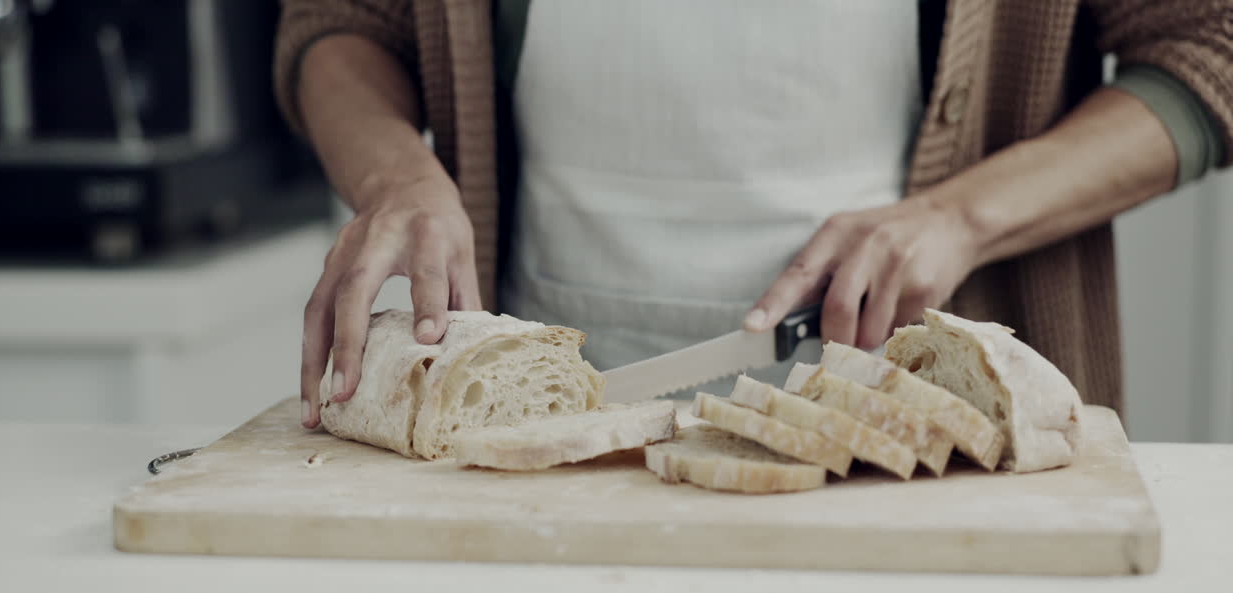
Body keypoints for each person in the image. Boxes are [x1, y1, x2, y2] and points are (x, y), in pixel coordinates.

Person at [275, 0, 1232, 429]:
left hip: (914, 429)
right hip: (531, 420)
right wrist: (398, 171)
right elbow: (343, 21)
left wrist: (962, 216)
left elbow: (1211, 45)